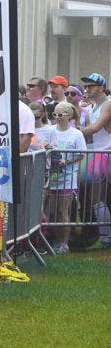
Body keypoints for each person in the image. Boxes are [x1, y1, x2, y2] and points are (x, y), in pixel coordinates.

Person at [38, 101, 87, 254]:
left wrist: (67, 161)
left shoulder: (76, 134)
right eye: (54, 115)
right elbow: (42, 144)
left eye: (60, 115)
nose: (57, 118)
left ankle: (64, 243)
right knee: (52, 212)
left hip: (68, 177)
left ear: (68, 116)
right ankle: (56, 240)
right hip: (51, 176)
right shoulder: (51, 130)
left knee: (62, 211)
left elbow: (82, 153)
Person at [79, 73, 111, 248]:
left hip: (105, 155)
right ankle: (105, 237)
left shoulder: (108, 104)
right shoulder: (93, 107)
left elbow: (95, 128)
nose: (87, 89)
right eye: (86, 86)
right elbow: (92, 134)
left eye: (90, 86)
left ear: (100, 88)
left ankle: (106, 238)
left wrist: (75, 131)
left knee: (97, 196)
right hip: (98, 154)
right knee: (95, 196)